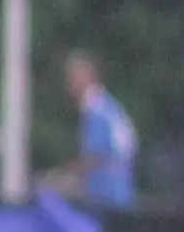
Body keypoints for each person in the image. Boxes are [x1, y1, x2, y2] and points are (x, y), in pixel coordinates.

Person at [55, 53, 138, 216]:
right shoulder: (106, 107)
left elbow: (94, 157)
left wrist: (62, 178)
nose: (69, 83)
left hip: (107, 195)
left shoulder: (97, 111)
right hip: (115, 193)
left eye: (73, 77)